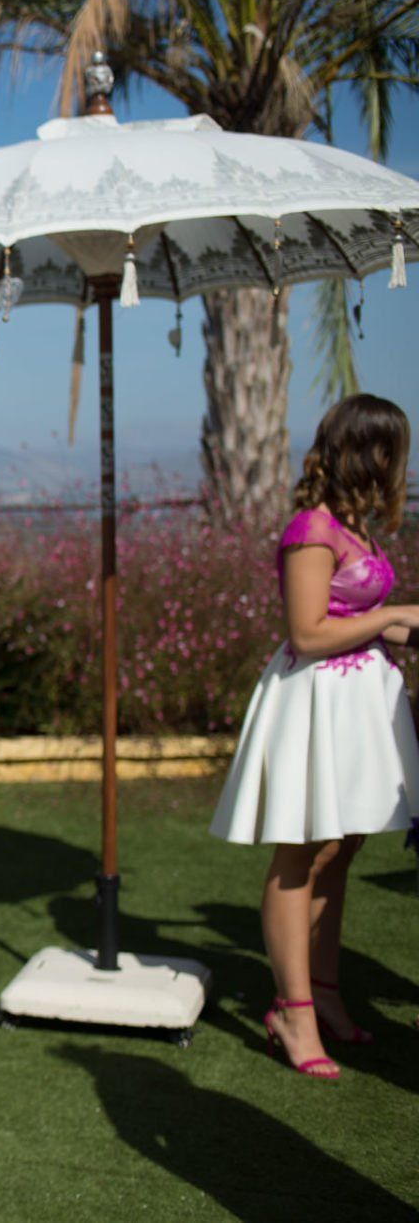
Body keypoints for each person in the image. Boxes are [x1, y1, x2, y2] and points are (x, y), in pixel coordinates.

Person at [210, 393, 419, 1079]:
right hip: (314, 703)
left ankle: (323, 993)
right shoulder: (313, 530)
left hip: (356, 704)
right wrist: (393, 613)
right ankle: (292, 1011)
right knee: (302, 850)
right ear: (369, 453)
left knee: (341, 847)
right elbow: (307, 633)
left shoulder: (355, 527)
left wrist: (400, 629)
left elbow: (355, 616)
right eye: (393, 450)